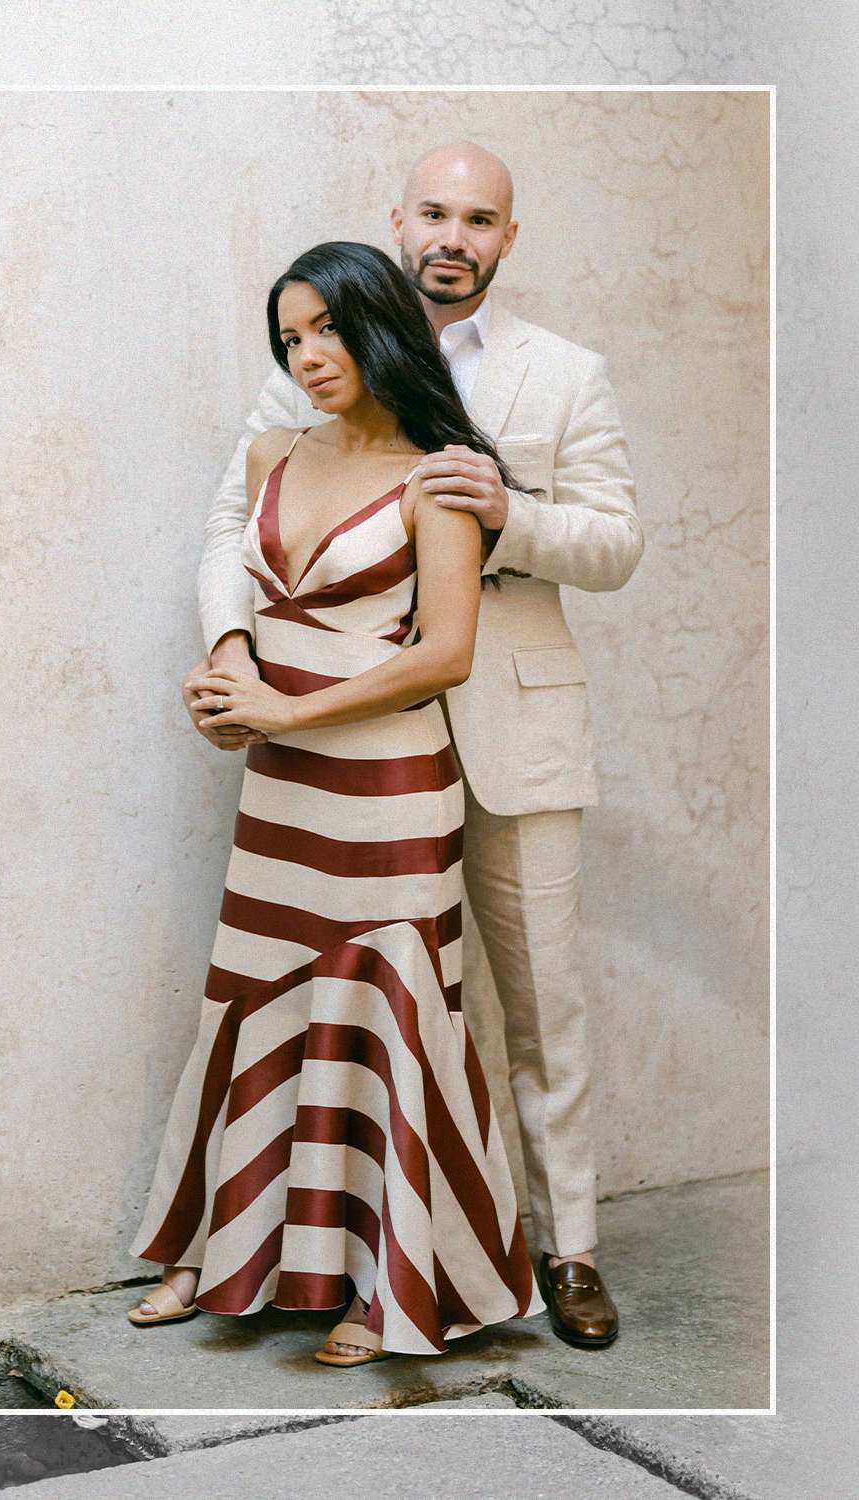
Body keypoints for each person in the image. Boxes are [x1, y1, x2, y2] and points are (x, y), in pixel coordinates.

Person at [183, 142, 643, 1350]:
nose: (452, 233)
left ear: (506, 236)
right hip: (344, 744)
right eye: (433, 211)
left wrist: (512, 512)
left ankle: (570, 1252)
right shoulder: (323, 348)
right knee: (392, 1007)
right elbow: (235, 518)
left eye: (478, 217)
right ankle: (368, 1251)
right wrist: (231, 648)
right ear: (400, 219)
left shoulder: (564, 375)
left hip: (510, 728)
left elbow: (617, 543)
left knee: (540, 1002)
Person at [127, 241, 545, 1365]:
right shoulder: (270, 450)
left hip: (391, 794)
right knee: (254, 1002)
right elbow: (236, 581)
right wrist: (228, 685)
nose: (309, 355)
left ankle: (396, 1282)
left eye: (327, 329)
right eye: (291, 337)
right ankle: (216, 1254)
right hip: (282, 794)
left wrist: (288, 714)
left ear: (380, 326)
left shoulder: (439, 472)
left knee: (389, 1022)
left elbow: (445, 654)